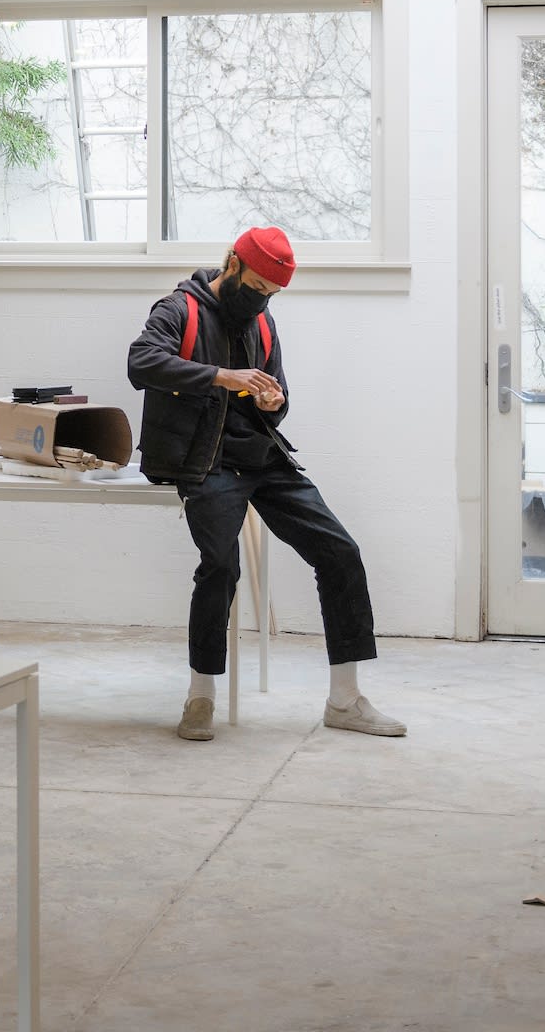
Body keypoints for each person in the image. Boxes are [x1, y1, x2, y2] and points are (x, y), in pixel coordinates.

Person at [127, 226, 405, 743]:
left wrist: (274, 401)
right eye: (257, 287)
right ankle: (200, 696)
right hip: (204, 463)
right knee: (220, 566)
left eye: (272, 293)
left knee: (340, 552)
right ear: (232, 263)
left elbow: (276, 395)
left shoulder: (263, 320)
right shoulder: (178, 309)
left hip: (261, 457)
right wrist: (222, 376)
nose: (262, 300)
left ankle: (345, 699)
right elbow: (140, 362)